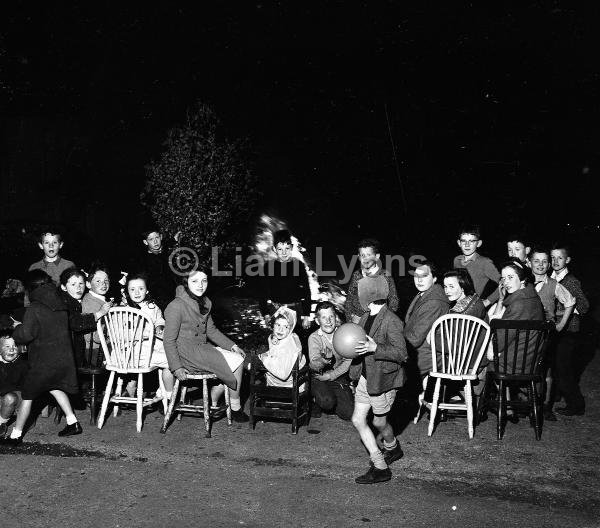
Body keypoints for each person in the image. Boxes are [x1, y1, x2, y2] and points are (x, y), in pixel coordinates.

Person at [1, 270, 83, 445]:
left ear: (32, 289)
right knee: (55, 387)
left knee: (27, 396)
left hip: (42, 364)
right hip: (63, 361)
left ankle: (15, 436)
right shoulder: (61, 304)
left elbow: (26, 335)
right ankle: (73, 423)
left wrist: (17, 328)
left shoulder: (35, 308)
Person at [163, 269, 249, 422]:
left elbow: (211, 330)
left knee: (236, 356)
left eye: (204, 280)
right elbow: (168, 340)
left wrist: (232, 345)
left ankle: (222, 398)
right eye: (194, 281)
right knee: (238, 361)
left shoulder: (205, 302)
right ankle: (235, 407)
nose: (200, 285)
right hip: (185, 353)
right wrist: (176, 367)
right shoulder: (176, 306)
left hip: (200, 348)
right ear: (186, 283)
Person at [350, 297, 408, 484]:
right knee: (358, 419)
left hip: (383, 380)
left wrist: (375, 347)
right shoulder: (364, 317)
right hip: (366, 377)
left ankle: (392, 448)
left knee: (378, 422)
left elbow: (402, 353)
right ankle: (381, 467)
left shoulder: (392, 320)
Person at [529, 248, 576, 420]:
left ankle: (545, 407)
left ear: (549, 265)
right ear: (529, 263)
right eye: (536, 261)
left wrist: (560, 324)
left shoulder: (554, 285)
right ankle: (526, 402)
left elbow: (570, 301)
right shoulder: (524, 283)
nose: (540, 265)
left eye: (544, 262)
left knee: (546, 372)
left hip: (545, 334)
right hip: (526, 334)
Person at [121, 272, 175, 400]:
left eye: (141, 288)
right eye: (132, 289)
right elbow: (123, 332)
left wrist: (159, 326)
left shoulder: (152, 306)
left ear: (147, 291)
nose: (137, 292)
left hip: (148, 349)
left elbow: (159, 319)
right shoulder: (124, 309)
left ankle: (163, 390)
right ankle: (168, 395)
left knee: (170, 350)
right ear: (127, 292)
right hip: (133, 353)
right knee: (171, 360)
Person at [550, 245, 589, 416]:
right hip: (556, 330)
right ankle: (556, 395)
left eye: (560, 258)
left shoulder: (571, 281)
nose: (555, 261)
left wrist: (567, 309)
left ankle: (576, 405)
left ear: (567, 260)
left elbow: (584, 306)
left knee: (563, 368)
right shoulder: (551, 278)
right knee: (555, 366)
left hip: (569, 331)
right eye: (552, 258)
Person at [488, 260, 545, 371]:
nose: (506, 283)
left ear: (522, 279)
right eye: (503, 279)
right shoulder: (532, 297)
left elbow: (498, 344)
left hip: (513, 364)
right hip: (530, 361)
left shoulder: (518, 304)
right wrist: (501, 299)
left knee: (478, 362)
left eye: (510, 277)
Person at [259, 229, 312, 330]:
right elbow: (263, 292)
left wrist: (306, 315)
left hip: (295, 310)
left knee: (296, 341)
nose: (284, 252)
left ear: (291, 247)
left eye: (287, 248)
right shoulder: (269, 267)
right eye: (280, 249)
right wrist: (265, 313)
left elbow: (306, 292)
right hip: (276, 310)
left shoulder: (298, 265)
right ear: (274, 249)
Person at [308, 301, 353, 420]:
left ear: (335, 317)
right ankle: (315, 400)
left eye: (331, 316)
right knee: (326, 402)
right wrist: (323, 360)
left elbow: (348, 361)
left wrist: (331, 375)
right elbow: (314, 365)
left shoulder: (343, 334)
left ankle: (336, 396)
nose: (328, 321)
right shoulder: (314, 338)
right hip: (319, 377)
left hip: (337, 376)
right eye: (324, 317)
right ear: (318, 321)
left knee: (348, 414)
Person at [59, 267, 112, 368]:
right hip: (82, 353)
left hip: (91, 350)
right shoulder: (68, 304)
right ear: (63, 287)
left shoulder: (80, 301)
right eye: (73, 284)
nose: (78, 288)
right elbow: (91, 335)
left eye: (81, 284)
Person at [404, 261, 450, 377]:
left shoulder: (434, 301)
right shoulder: (425, 294)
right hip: (420, 352)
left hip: (425, 357)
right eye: (416, 276)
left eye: (424, 276)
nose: (419, 280)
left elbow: (414, 339)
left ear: (434, 278)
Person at [344, 238, 399, 323]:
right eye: (362, 255)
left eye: (369, 255)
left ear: (377, 257)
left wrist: (385, 321)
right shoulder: (357, 275)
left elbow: (394, 300)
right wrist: (350, 320)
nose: (365, 259)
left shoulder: (385, 275)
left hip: (378, 321)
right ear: (358, 257)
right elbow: (349, 300)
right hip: (358, 321)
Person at [127, 229, 178, 312]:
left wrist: (174, 240)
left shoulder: (167, 253)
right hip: (156, 301)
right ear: (145, 242)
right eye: (151, 239)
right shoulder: (143, 261)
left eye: (157, 237)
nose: (155, 241)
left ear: (161, 237)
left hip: (173, 295)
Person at [259, 306, 306, 389]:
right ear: (273, 325)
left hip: (285, 387)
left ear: (291, 329)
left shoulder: (290, 346)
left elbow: (283, 375)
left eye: (286, 327)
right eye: (278, 325)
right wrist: (273, 337)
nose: (280, 330)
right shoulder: (288, 337)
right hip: (285, 383)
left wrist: (264, 358)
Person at [453, 225, 500, 300]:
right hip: (459, 303)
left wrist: (488, 301)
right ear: (459, 243)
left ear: (478, 243)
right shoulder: (457, 260)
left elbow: (503, 283)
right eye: (463, 241)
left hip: (474, 305)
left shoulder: (485, 262)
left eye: (471, 241)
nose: (467, 244)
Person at [0, 330, 28, 438]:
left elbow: (18, 386)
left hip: (17, 397)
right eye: (7, 346)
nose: (11, 349)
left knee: (10, 397)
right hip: (2, 395)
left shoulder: (21, 363)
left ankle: (1, 423)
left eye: (15, 346)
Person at [82, 263, 113, 355]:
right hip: (96, 351)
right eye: (98, 281)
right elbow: (93, 337)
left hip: (101, 347)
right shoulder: (90, 302)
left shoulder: (97, 299)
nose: (103, 284)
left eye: (106, 280)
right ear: (88, 284)